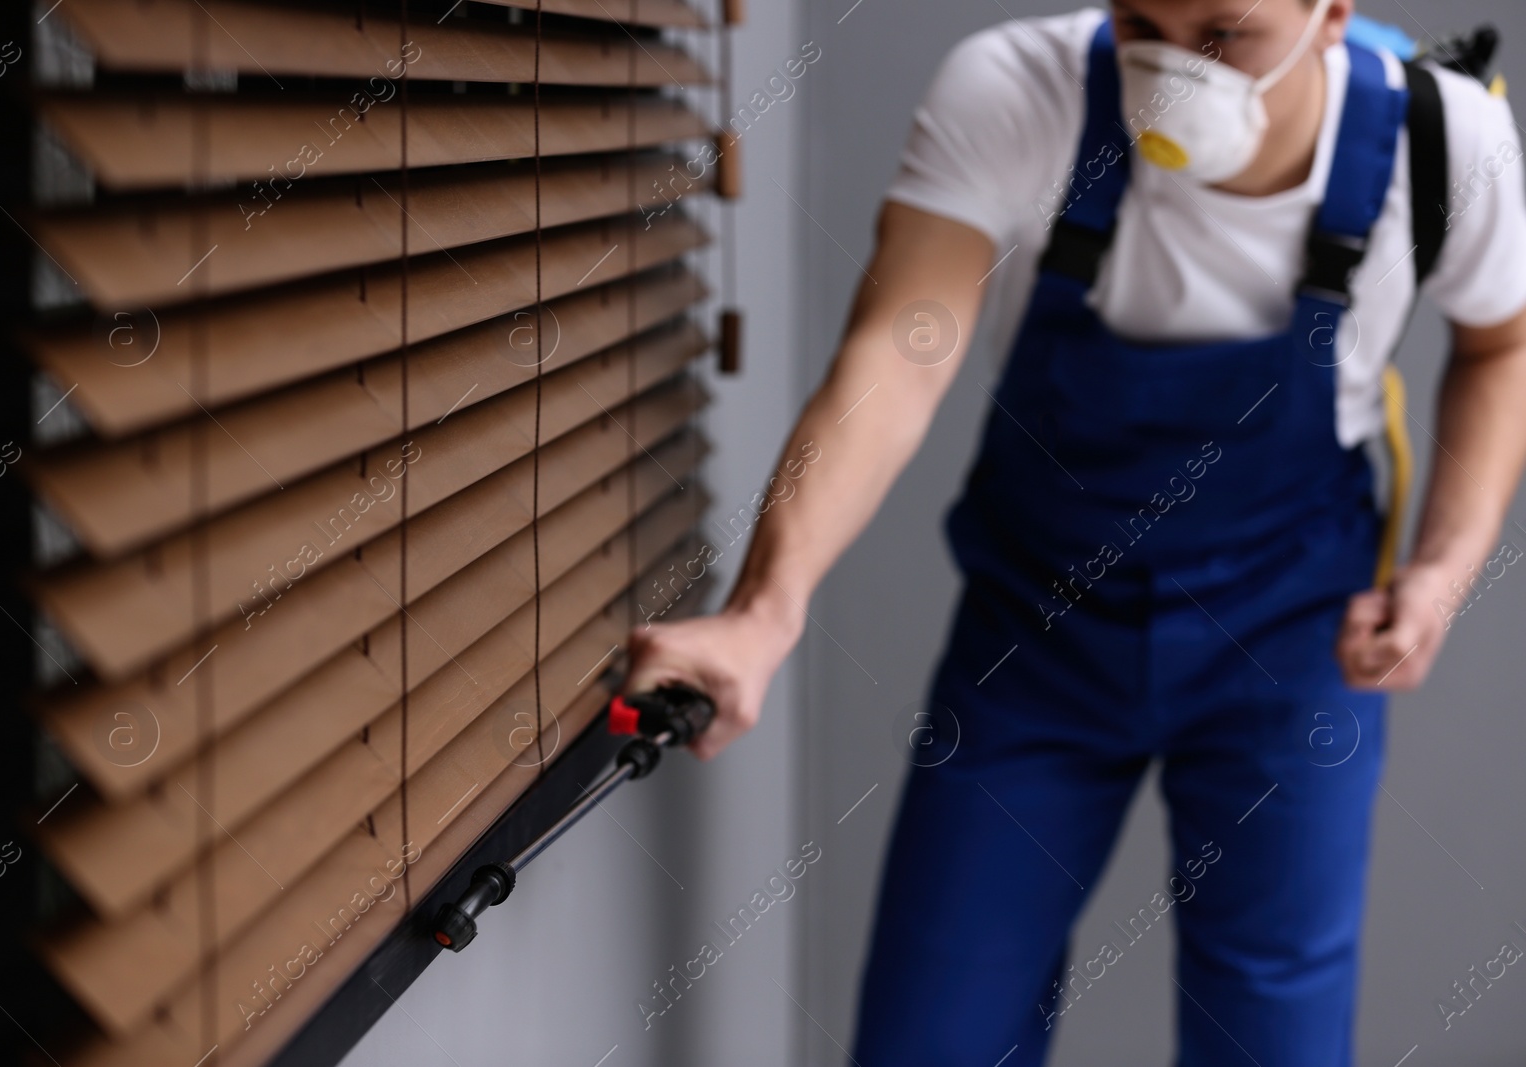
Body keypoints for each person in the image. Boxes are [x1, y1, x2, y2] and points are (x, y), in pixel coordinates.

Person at [625, 0, 1526, 1062]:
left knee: (1273, 1034)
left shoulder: (1442, 138)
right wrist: (765, 606)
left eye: (1222, 34)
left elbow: (1501, 347)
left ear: (1330, 13)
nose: (1169, 66)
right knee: (933, 1030)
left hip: (1290, 637)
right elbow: (899, 350)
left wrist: (1439, 569)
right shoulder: (1018, 90)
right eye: (1140, 18)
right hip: (1038, 635)